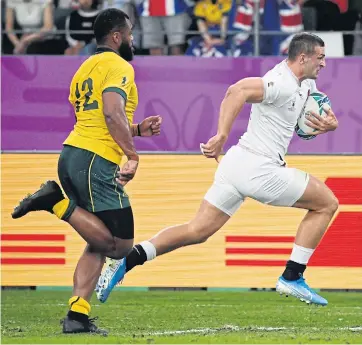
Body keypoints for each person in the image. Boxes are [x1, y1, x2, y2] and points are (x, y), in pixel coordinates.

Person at [96, 32, 339, 306]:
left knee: (196, 231)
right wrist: (221, 135)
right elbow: (238, 91)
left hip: (237, 165)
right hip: (259, 169)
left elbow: (311, 113)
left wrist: (330, 125)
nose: (324, 64)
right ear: (303, 58)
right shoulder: (281, 82)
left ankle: (126, 261)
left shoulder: (302, 84)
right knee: (327, 204)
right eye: (320, 58)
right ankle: (292, 276)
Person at [11, 8, 162, 335]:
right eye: (131, 34)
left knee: (98, 241)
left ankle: (77, 315)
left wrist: (135, 129)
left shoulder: (85, 67)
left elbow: (100, 118)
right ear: (117, 37)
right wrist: (132, 154)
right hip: (95, 159)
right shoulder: (118, 65)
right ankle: (55, 202)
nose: (134, 40)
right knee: (120, 246)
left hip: (74, 155)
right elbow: (110, 111)